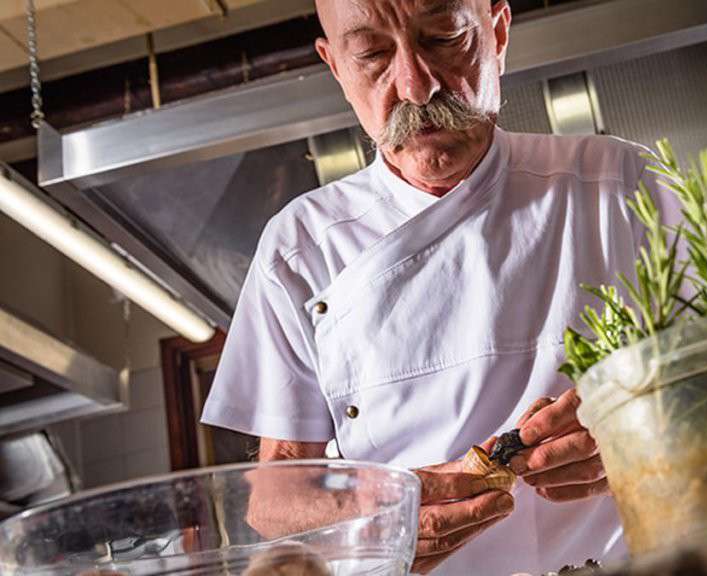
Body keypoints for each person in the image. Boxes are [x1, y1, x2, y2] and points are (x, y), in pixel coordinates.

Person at [201, 0, 676, 573]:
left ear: (497, 33)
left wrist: (640, 430)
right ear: (336, 68)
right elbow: (275, 498)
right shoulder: (300, 245)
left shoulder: (618, 185)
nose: (416, 86)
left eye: (445, 38)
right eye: (373, 54)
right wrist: (381, 513)